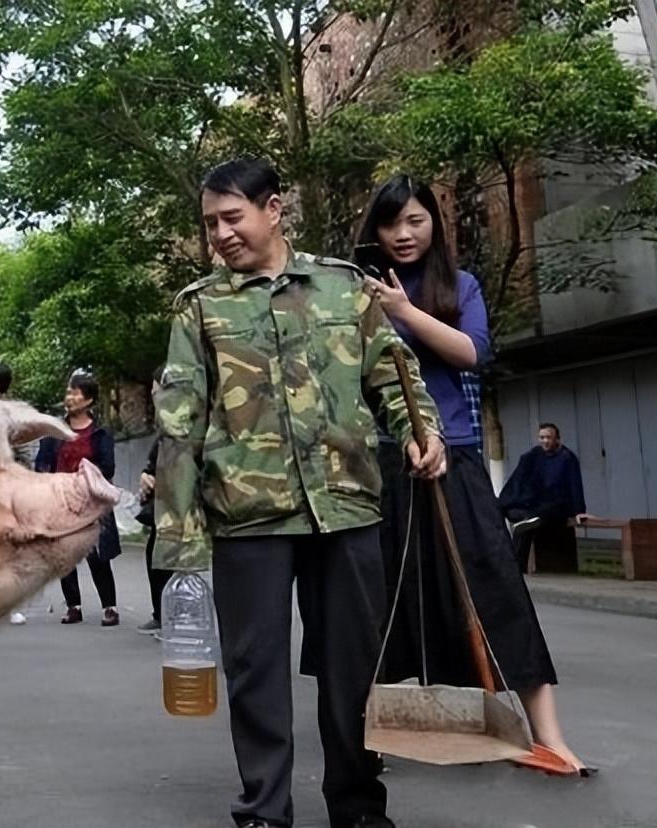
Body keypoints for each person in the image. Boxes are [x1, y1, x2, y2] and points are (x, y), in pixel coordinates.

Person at [154, 158, 445, 828]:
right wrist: (179, 537)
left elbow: (394, 377)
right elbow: (178, 424)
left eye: (232, 218)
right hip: (246, 517)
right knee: (255, 673)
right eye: (209, 224)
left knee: (353, 669)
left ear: (274, 209)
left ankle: (358, 806)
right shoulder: (201, 307)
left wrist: (419, 431)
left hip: (346, 505)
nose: (221, 234)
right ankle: (264, 811)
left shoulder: (345, 289)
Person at [358, 174, 590, 776]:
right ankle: (368, 733)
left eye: (415, 220)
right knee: (380, 597)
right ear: (374, 231)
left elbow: (471, 351)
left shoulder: (458, 286)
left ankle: (549, 737)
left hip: (456, 455)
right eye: (391, 223)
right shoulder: (356, 292)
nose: (403, 234)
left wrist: (404, 311)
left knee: (498, 588)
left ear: (434, 221)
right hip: (384, 458)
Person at [35, 371, 121, 627]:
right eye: (68, 392)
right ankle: (74, 606)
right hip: (62, 500)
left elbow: (108, 467)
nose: (69, 397)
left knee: (98, 556)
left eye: (75, 393)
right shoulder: (55, 431)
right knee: (65, 555)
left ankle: (110, 606)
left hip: (91, 501)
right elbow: (43, 461)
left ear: (88, 400)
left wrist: (86, 475)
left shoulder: (100, 433)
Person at [0, 361, 39, 624]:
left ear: (1, 386)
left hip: (4, 490)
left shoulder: (12, 415)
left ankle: (9, 605)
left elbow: (24, 454)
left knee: (9, 549)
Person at [499, 423, 588, 572]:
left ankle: (515, 568)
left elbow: (575, 485)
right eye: (542, 437)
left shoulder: (567, 458)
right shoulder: (533, 455)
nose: (545, 441)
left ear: (557, 439)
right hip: (534, 504)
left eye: (549, 437)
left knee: (524, 526)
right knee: (518, 516)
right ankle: (513, 565)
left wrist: (579, 511)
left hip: (556, 506)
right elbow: (519, 479)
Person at [135, 367, 171, 634]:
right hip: (161, 508)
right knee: (154, 556)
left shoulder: (189, 426)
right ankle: (161, 613)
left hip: (180, 508)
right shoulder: (164, 431)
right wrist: (146, 478)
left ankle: (178, 616)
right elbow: (150, 465)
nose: (153, 395)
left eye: (156, 390)